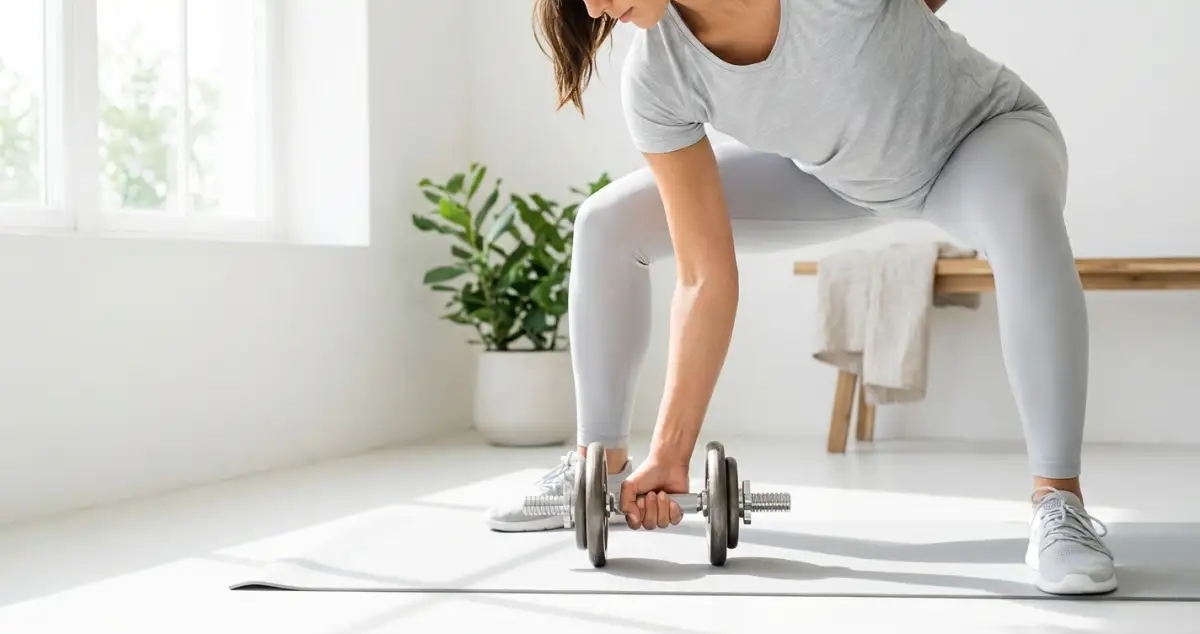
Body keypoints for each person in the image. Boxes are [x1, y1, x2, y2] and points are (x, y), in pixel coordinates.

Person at [485, 0, 1117, 595]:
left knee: (1021, 213)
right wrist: (671, 454)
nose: (594, 9)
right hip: (839, 179)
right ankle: (597, 468)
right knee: (606, 223)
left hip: (978, 142)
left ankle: (1059, 503)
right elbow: (705, 276)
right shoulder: (658, 76)